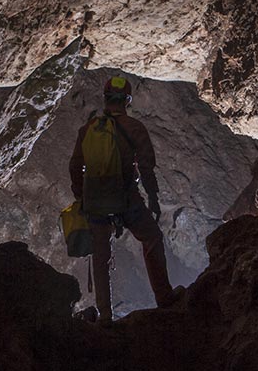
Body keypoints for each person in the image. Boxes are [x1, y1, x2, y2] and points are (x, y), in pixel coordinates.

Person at [69, 76, 179, 323]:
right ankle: (164, 296)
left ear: (105, 98)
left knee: (100, 255)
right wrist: (152, 197)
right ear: (127, 100)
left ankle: (105, 315)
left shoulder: (88, 129)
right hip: (127, 200)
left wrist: (81, 197)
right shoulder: (135, 127)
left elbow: (75, 165)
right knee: (151, 238)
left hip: (96, 202)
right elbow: (147, 167)